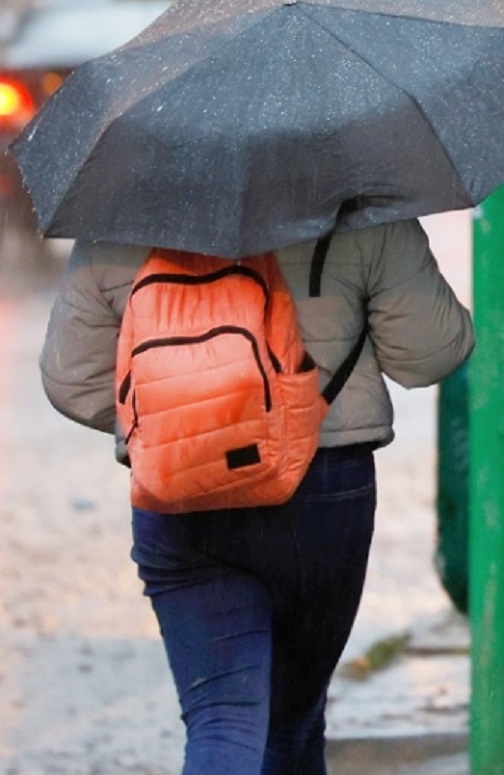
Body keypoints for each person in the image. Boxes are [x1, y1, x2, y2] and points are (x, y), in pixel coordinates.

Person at [39, 220, 474, 774]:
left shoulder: (126, 208)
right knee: (291, 720)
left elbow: (70, 378)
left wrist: (187, 431)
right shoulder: (361, 195)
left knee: (224, 718)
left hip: (179, 493)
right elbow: (431, 354)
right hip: (322, 490)